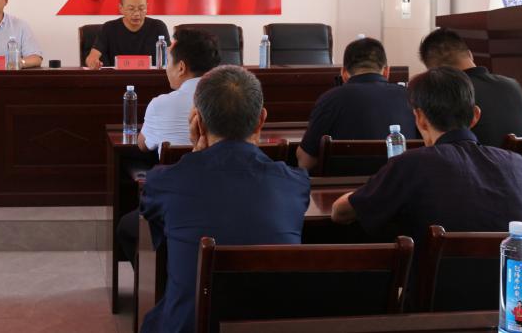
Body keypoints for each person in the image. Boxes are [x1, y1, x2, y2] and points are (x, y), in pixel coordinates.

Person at [137, 66, 310, 333]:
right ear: (261, 120)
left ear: (198, 122)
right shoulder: (294, 183)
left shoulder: (164, 181)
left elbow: (154, 224)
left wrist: (195, 155)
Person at [331, 67, 522, 248]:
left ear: (419, 118)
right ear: (475, 116)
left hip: (438, 287)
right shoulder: (518, 164)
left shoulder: (411, 164)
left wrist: (368, 189)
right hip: (518, 286)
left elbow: (340, 213)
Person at [296, 37, 418, 171]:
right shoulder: (411, 97)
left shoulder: (330, 99)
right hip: (400, 181)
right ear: (386, 71)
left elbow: (305, 162)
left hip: (344, 184)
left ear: (343, 73)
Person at [418, 28, 522, 147]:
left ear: (434, 72)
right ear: (470, 54)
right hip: (521, 159)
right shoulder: (513, 85)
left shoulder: (444, 96)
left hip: (470, 159)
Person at [138, 27, 221, 154]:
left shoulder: (159, 105)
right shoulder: (233, 101)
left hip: (176, 168)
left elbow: (142, 145)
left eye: (168, 62)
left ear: (181, 68)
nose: (166, 68)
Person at [85, 0, 170, 69]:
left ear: (147, 7)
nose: (137, 14)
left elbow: (171, 57)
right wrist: (93, 62)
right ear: (121, 8)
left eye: (141, 8)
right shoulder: (108, 29)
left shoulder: (158, 27)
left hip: (150, 77)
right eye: (131, 9)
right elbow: (91, 58)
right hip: (117, 77)